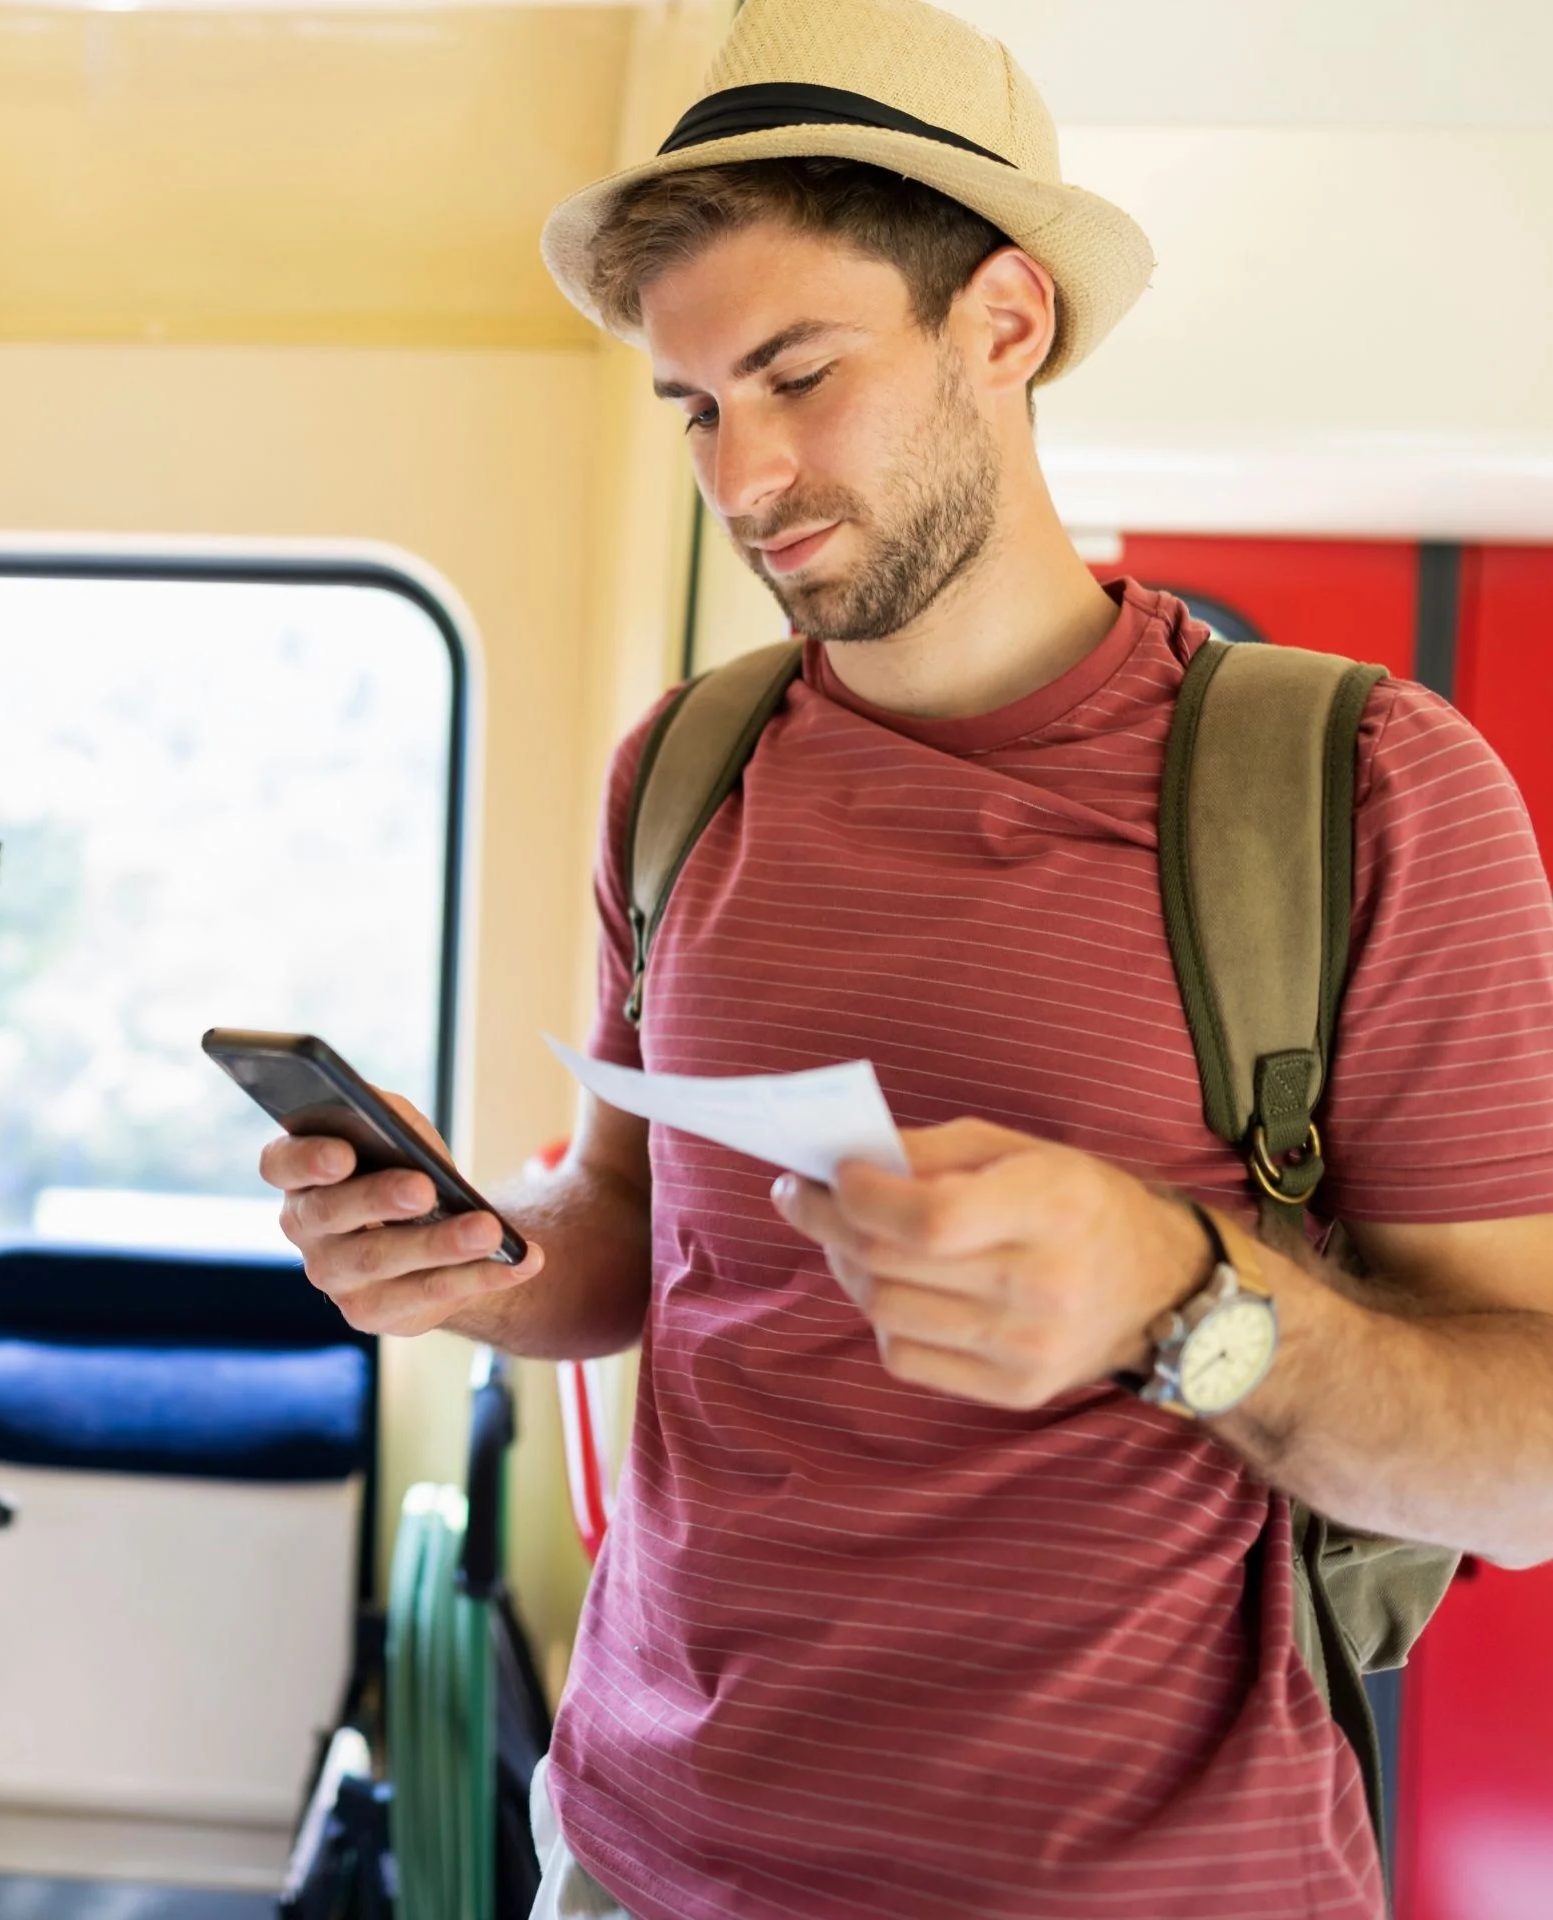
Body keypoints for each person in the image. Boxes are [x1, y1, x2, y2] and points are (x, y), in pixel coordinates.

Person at [257, 0, 1553, 1913]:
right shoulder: (681, 770)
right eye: (697, 406)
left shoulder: (1363, 788)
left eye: (798, 373)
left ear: (1005, 323)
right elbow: (639, 1238)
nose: (744, 475)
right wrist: (473, 1267)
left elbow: (1519, 1459)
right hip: (632, 1858)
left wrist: (1182, 1294)